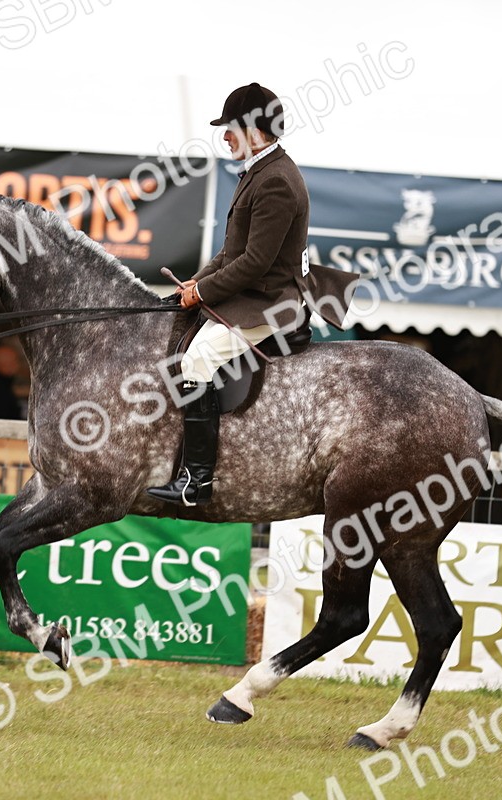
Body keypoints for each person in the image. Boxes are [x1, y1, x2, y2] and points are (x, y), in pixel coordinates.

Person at [146, 82, 355, 507]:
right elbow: (231, 250)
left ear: (254, 129)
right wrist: (195, 284)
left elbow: (256, 262)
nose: (224, 136)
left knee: (196, 359)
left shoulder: (277, 180)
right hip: (255, 289)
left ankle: (195, 482)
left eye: (230, 128)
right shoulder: (260, 170)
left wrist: (203, 291)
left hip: (271, 301)